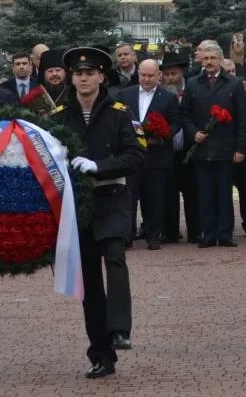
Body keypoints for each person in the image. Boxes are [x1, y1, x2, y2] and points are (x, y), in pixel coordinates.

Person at [51, 47, 145, 378]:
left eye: (90, 73)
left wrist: (99, 167)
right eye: (78, 74)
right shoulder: (59, 116)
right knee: (89, 279)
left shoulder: (120, 112)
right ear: (71, 78)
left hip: (113, 196)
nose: (84, 78)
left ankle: (120, 329)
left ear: (101, 76)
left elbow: (136, 156)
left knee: (115, 255)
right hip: (79, 205)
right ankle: (101, 352)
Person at [180, 40, 246, 248]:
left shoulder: (234, 83)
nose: (209, 62)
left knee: (224, 193)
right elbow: (184, 115)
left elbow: (242, 119)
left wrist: (240, 148)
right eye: (206, 58)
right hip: (201, 150)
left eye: (213, 58)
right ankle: (208, 234)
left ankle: (225, 234)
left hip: (226, 149)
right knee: (205, 194)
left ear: (220, 59)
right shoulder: (192, 83)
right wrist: (194, 133)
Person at [118, 58, 180, 250]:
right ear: (138, 75)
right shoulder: (125, 94)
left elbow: (176, 123)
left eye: (150, 75)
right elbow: (117, 121)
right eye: (143, 75)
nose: (146, 79)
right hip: (131, 156)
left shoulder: (168, 97)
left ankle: (153, 235)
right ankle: (126, 235)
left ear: (158, 76)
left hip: (157, 156)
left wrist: (162, 134)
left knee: (154, 198)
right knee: (129, 197)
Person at [160, 51, 199, 244]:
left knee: (192, 192)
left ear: (181, 73)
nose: (170, 78)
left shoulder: (192, 89)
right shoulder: (160, 94)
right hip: (167, 151)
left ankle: (195, 231)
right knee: (169, 193)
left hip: (189, 150)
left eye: (173, 74)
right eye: (166, 74)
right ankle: (170, 232)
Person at [222, 58, 246, 238]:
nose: (229, 74)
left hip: (240, 146)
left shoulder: (243, 90)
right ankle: (227, 225)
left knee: (245, 190)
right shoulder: (217, 89)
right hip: (222, 148)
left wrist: (242, 148)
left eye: (231, 71)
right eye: (225, 70)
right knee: (224, 190)